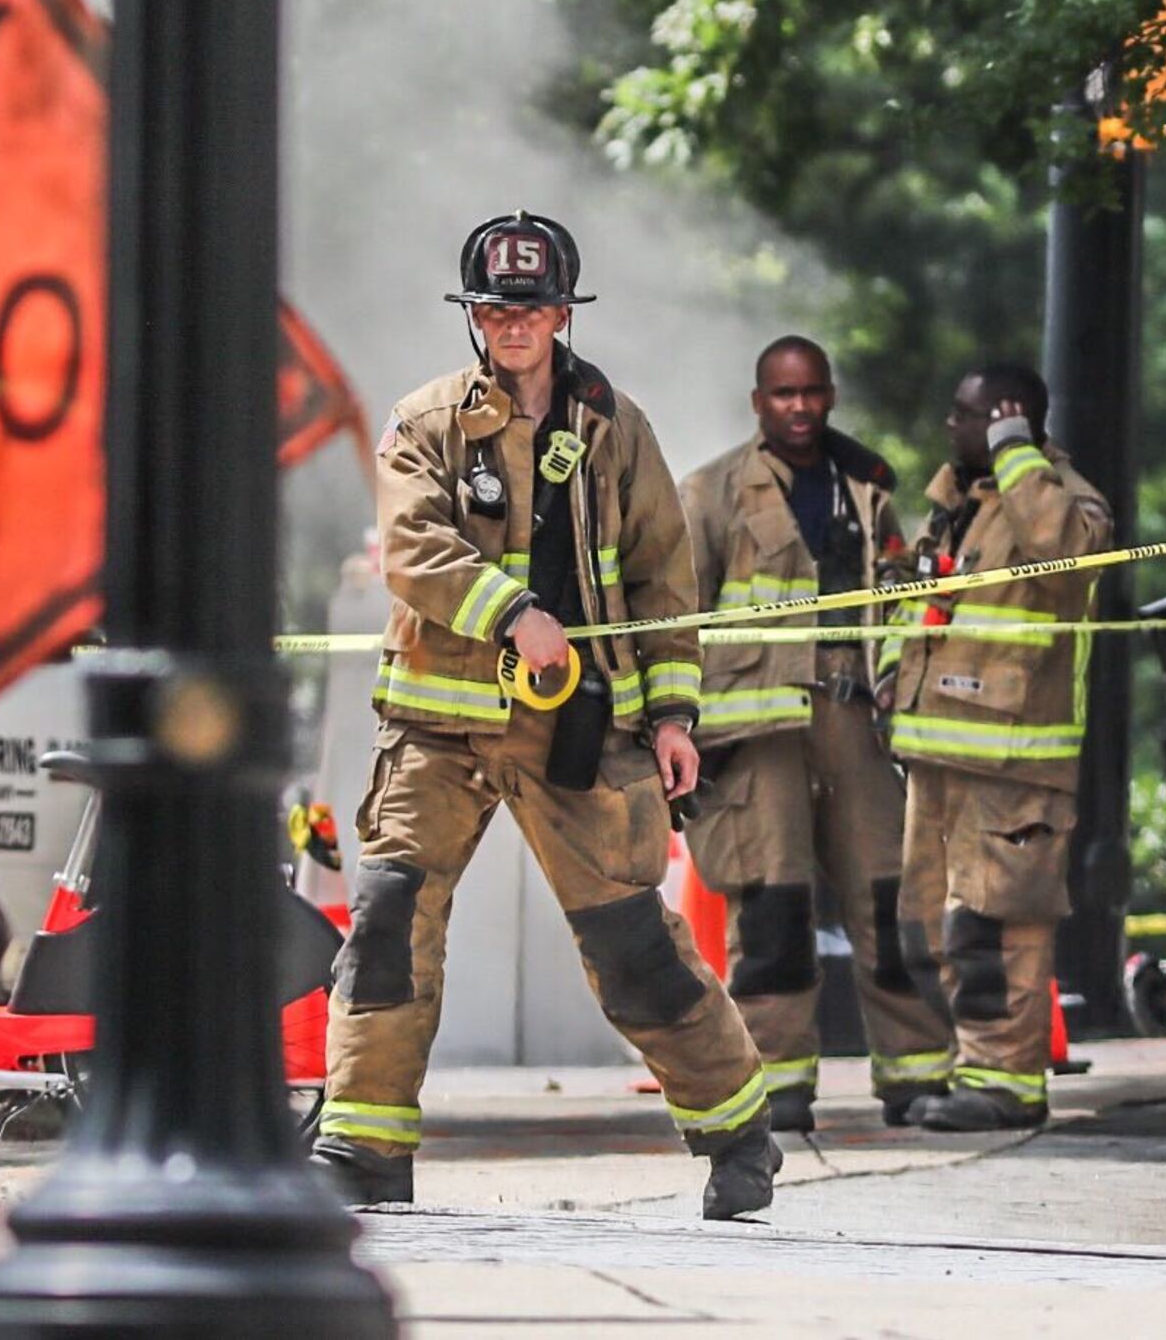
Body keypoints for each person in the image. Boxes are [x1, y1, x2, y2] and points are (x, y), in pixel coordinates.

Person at [313, 212, 783, 1219]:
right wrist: (513, 613)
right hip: (435, 734)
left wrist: (671, 720)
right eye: (492, 309)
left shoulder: (618, 431)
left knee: (632, 947)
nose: (510, 325)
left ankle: (740, 1134)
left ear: (561, 314)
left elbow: (665, 582)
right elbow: (413, 546)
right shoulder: (425, 423)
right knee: (389, 929)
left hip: (580, 731)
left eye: (528, 309)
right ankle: (361, 1146)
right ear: (473, 318)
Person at [677, 337, 959, 1129]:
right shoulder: (709, 493)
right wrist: (674, 732)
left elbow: (899, 601)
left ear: (829, 396)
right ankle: (778, 1088)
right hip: (754, 729)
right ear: (758, 403)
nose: (798, 407)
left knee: (890, 896)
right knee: (772, 908)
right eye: (782, 394)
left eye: (810, 393)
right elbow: (672, 620)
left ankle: (917, 1075)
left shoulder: (865, 489)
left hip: (854, 717)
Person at [888, 360, 1113, 1131]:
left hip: (1016, 765)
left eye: (969, 415)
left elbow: (1065, 559)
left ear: (1010, 420)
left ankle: (1006, 1084)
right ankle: (970, 1067)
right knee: (933, 925)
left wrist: (1017, 453)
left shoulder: (1061, 501)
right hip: (940, 757)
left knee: (997, 926)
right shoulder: (962, 506)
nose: (953, 428)